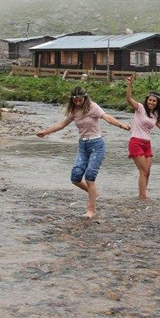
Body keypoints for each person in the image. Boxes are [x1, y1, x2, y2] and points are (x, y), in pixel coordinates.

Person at [37, 86, 131, 219]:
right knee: (75, 177)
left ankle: (91, 210)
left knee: (89, 177)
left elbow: (107, 117)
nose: (78, 103)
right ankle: (93, 194)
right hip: (83, 145)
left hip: (96, 145)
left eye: (80, 100)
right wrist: (45, 132)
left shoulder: (93, 107)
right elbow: (62, 124)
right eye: (75, 101)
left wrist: (122, 125)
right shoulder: (74, 110)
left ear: (85, 98)